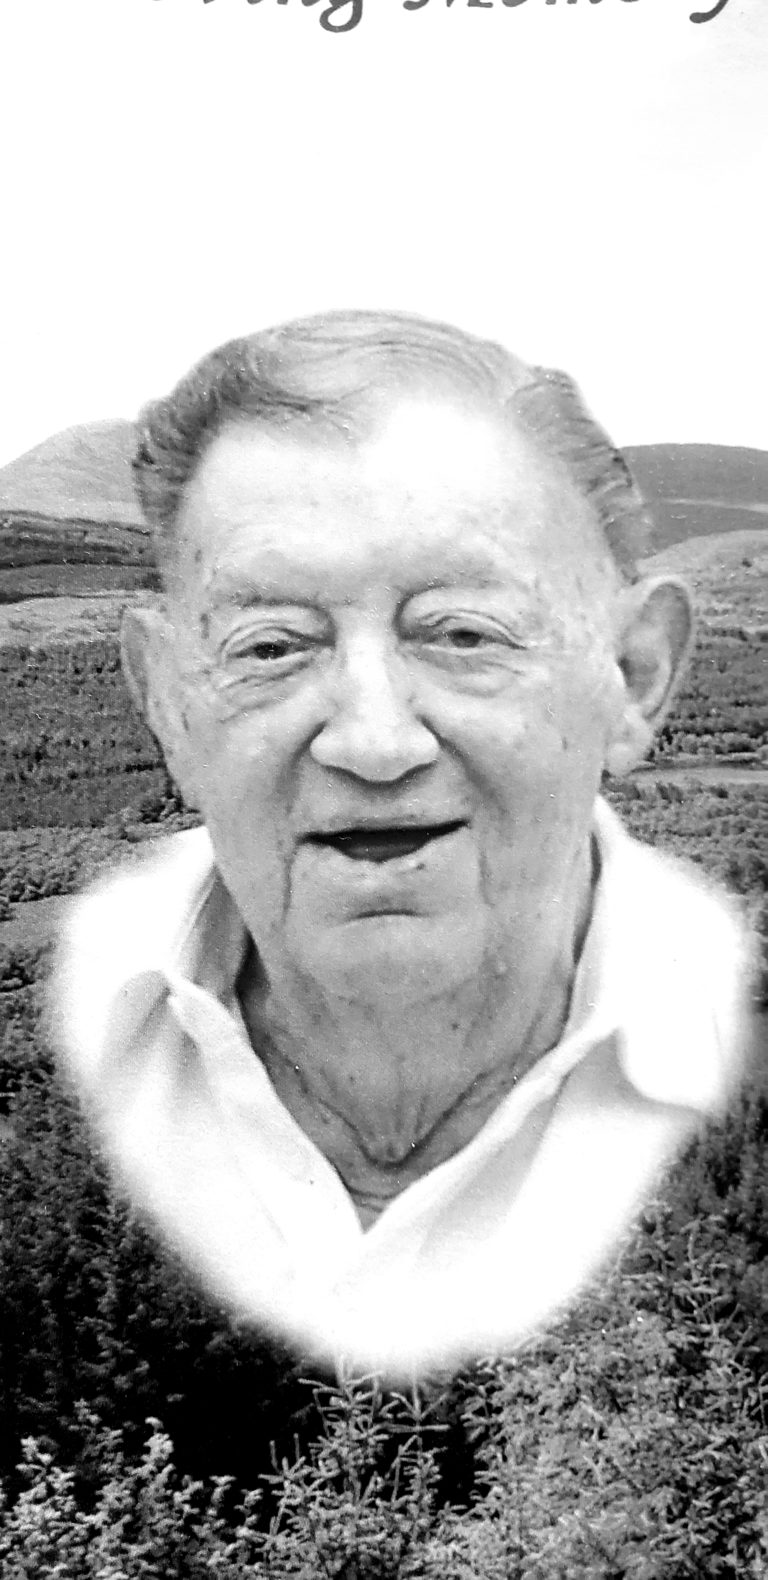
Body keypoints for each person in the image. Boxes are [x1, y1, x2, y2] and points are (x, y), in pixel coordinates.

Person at [55, 311, 748, 1379]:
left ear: (634, 677)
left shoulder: (727, 1045)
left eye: (463, 633)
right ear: (166, 700)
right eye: (272, 646)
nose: (374, 742)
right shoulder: (78, 1051)